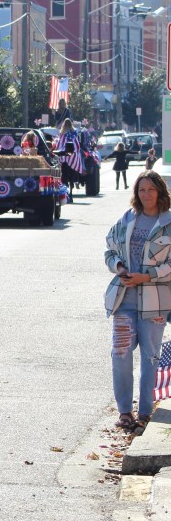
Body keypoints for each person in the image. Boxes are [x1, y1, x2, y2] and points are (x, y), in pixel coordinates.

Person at [103, 170, 171, 434]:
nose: (146, 195)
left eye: (151, 190)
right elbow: (109, 249)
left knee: (150, 357)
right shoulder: (127, 219)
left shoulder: (168, 222)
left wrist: (147, 276)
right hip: (124, 299)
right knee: (120, 353)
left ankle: (145, 411)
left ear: (160, 192)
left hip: (155, 302)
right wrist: (119, 267)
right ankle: (124, 412)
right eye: (141, 190)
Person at [54, 118, 84, 203]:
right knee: (72, 175)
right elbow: (77, 145)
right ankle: (71, 193)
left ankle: (66, 194)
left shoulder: (62, 133)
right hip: (73, 156)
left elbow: (59, 145)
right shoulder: (74, 133)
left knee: (64, 176)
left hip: (64, 157)